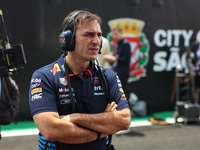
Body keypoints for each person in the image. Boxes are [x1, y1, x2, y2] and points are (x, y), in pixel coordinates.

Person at [29, 10, 131, 150]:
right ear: (68, 39)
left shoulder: (109, 76)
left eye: (99, 35)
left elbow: (124, 121)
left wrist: (73, 118)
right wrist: (104, 126)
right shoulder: (43, 76)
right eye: (89, 34)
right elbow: (50, 129)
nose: (96, 41)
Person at [103, 26, 131, 100]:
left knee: (124, 93)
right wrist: (110, 61)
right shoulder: (117, 45)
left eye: (116, 34)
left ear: (121, 33)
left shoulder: (125, 44)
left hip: (123, 74)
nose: (114, 36)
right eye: (113, 34)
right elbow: (116, 61)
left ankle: (127, 110)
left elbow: (126, 60)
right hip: (117, 72)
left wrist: (112, 58)